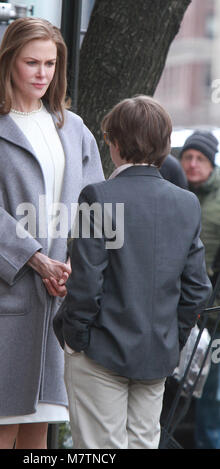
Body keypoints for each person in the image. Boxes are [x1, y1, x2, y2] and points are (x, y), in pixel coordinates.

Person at [0, 17, 104, 449]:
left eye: (51, 64)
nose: (42, 74)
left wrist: (78, 263)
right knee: (4, 422)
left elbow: (94, 205)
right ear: (8, 63)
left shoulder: (74, 129)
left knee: (42, 424)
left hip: (60, 291)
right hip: (9, 289)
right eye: (31, 63)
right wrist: (35, 258)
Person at [53, 96, 212, 449]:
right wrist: (173, 337)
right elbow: (197, 288)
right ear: (164, 145)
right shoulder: (186, 203)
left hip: (99, 348)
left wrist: (76, 338)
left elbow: (87, 278)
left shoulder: (98, 196)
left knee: (100, 449)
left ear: (115, 143)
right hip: (157, 352)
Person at [179, 130, 220, 449]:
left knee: (212, 393)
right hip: (180, 307)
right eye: (188, 157)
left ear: (211, 163)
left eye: (200, 159)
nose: (192, 164)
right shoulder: (174, 191)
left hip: (214, 311)